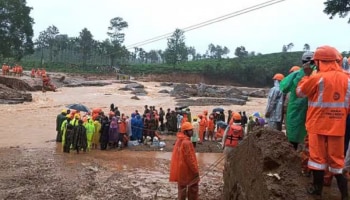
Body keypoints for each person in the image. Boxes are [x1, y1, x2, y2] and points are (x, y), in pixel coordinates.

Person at [296, 45, 349, 199]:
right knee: (337, 162)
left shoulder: (316, 77)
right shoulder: (347, 78)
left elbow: (300, 92)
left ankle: (317, 190)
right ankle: (345, 195)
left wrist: (306, 76)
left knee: (317, 159)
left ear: (320, 61)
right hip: (337, 126)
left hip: (317, 125)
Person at [280, 52, 314, 150]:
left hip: (295, 111)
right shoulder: (319, 74)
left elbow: (284, 88)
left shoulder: (296, 74)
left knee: (293, 137)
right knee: (309, 140)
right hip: (311, 111)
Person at [169, 122, 199, 200]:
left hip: (180, 168)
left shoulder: (180, 140)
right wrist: (196, 171)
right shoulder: (187, 143)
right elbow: (190, 159)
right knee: (193, 187)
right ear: (185, 132)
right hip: (187, 169)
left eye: (192, 130)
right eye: (190, 130)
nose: (192, 131)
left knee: (182, 188)